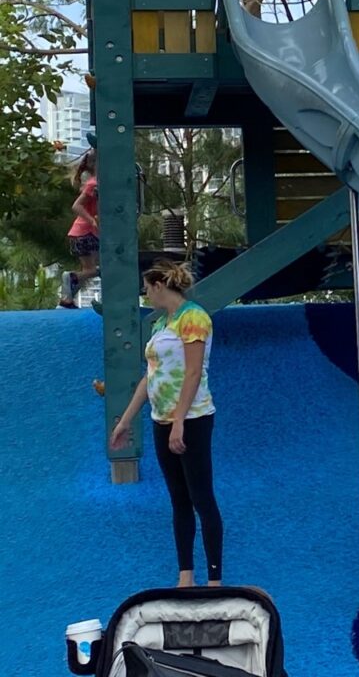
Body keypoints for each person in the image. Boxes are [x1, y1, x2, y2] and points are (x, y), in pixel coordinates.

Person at [109, 260, 223, 588]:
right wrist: (125, 421)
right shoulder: (161, 324)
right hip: (162, 420)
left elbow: (192, 371)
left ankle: (214, 578)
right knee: (178, 498)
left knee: (202, 497)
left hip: (193, 419)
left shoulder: (193, 317)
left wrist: (179, 423)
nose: (146, 294)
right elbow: (151, 376)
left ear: (160, 285)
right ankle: (185, 575)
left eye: (147, 287)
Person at [59, 146, 100, 308]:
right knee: (94, 270)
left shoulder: (93, 183)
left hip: (80, 233)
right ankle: (71, 277)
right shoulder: (94, 184)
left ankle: (67, 299)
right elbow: (76, 206)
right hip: (86, 232)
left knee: (89, 269)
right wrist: (92, 220)